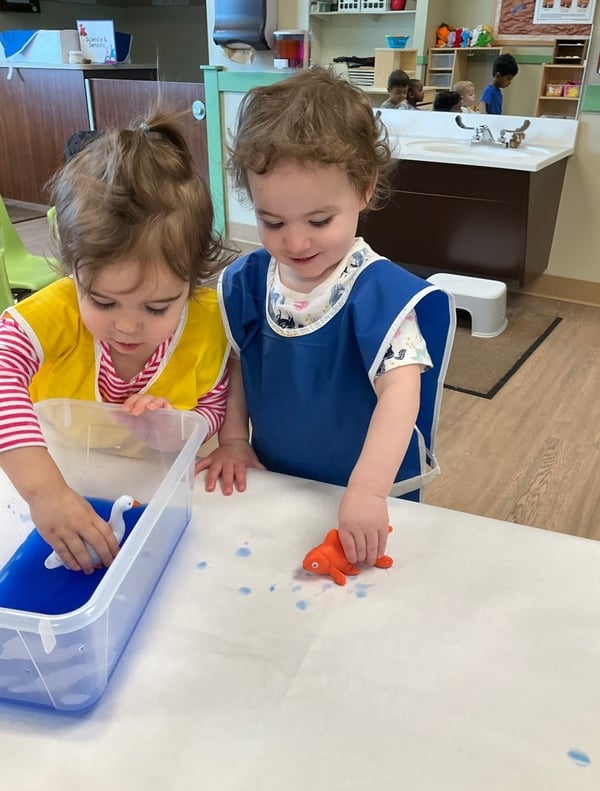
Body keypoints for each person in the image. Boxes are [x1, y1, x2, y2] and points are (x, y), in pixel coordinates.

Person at [197, 67, 454, 568]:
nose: (295, 243)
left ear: (363, 190)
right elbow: (239, 363)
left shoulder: (381, 295)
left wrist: (368, 492)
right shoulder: (250, 281)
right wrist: (232, 439)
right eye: (272, 222)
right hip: (279, 480)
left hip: (366, 496)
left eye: (319, 221)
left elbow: (402, 396)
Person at [0, 109, 231, 574]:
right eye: (103, 303)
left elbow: (214, 405)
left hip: (152, 487)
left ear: (193, 279)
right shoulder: (60, 311)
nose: (127, 327)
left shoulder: (206, 320)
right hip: (52, 471)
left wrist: (175, 427)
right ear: (72, 269)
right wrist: (46, 492)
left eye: (156, 307)